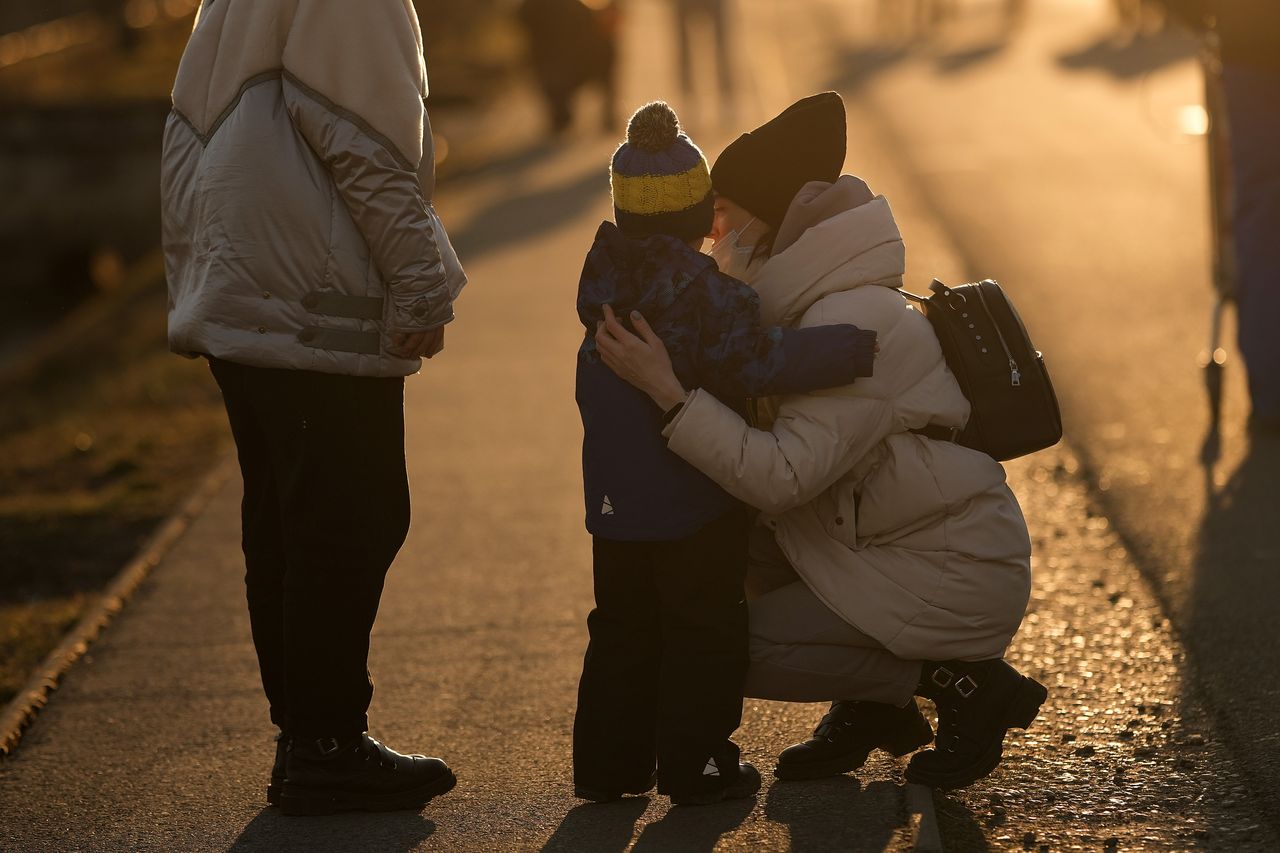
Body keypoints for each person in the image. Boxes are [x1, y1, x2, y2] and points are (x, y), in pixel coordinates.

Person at [595, 92, 1047, 790]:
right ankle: (875, 705)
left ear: (775, 221)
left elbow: (780, 476)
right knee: (700, 580)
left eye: (728, 214)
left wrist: (672, 395)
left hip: (951, 569)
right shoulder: (807, 303)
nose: (714, 234)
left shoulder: (852, 324)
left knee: (716, 640)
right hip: (886, 540)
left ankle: (962, 681)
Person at [161, 0, 465, 816]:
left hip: (250, 284)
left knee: (289, 522)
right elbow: (364, 142)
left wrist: (200, 273)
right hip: (307, 290)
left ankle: (306, 739)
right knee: (351, 519)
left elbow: (191, 131)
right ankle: (325, 744)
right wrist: (420, 284)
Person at [573, 101, 880, 805]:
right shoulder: (708, 297)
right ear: (696, 213)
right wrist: (855, 345)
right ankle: (696, 762)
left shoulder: (603, 289)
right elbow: (759, 362)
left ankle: (606, 766)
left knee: (621, 631)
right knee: (704, 631)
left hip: (615, 506)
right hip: (692, 502)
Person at [1160, 0, 1280, 434]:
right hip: (1248, 45)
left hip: (1249, 46)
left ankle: (1272, 394)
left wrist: (1205, 17)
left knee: (1262, 214)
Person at [517, 0, 620, 135]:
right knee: (552, 76)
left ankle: (565, 116)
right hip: (559, 55)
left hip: (576, 54)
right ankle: (562, 115)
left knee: (553, 76)